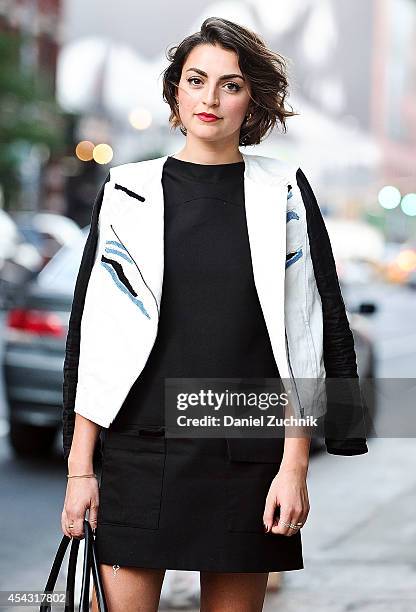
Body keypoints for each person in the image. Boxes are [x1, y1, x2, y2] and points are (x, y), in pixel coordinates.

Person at [61, 17, 368, 612]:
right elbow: (93, 334)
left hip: (245, 452)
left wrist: (295, 465)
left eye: (230, 85)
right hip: (138, 448)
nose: (210, 98)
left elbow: (308, 329)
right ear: (175, 90)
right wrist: (80, 470)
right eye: (196, 80)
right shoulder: (128, 190)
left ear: (252, 99)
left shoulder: (284, 190)